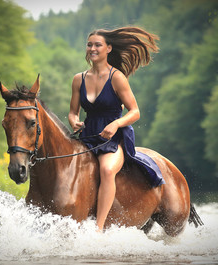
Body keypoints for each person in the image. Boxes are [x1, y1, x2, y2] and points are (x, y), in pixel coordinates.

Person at [68, 27, 164, 232]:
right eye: (89, 44)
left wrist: (116, 124)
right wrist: (74, 121)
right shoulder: (78, 79)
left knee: (107, 169)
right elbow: (72, 112)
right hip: (87, 135)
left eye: (97, 45)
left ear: (108, 48)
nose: (92, 48)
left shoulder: (117, 77)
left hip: (113, 139)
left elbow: (135, 111)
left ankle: (99, 229)